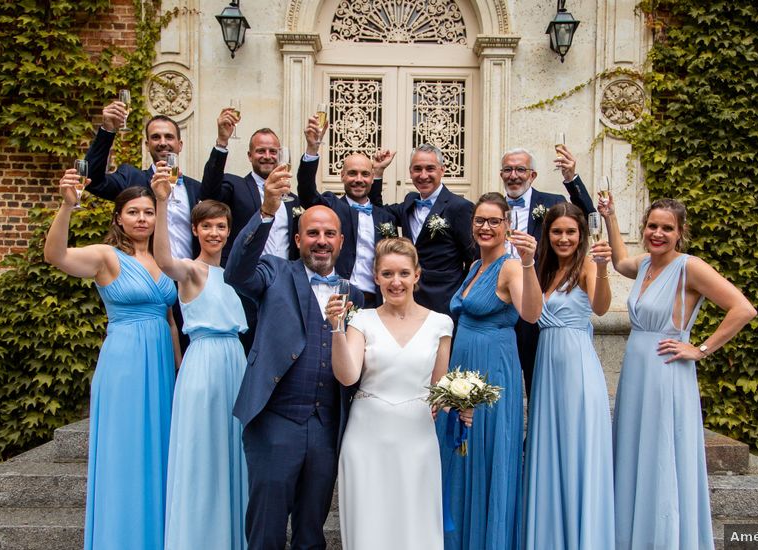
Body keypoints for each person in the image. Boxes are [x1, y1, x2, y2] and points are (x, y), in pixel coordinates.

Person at [601, 194, 756, 550]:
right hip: (636, 373)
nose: (658, 233)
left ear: (680, 232)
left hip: (666, 372)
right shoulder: (643, 265)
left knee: (660, 456)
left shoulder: (690, 267)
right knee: (634, 451)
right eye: (652, 226)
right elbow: (621, 261)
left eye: (667, 228)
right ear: (644, 229)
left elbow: (742, 308)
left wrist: (699, 349)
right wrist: (609, 218)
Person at [225, 164, 364, 550]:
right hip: (275, 421)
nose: (321, 241)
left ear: (341, 241)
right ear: (299, 239)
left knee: (311, 530)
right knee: (267, 529)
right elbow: (236, 273)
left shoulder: (356, 295)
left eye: (329, 234)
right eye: (313, 233)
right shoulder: (273, 272)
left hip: (325, 426)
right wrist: (266, 212)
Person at [44, 172, 178, 550]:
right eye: (133, 212)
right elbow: (56, 256)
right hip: (125, 363)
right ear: (118, 217)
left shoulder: (163, 258)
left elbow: (170, 321)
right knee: (126, 452)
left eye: (148, 212)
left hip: (162, 364)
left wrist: (180, 367)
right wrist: (67, 206)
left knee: (160, 453)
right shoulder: (106, 256)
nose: (141, 219)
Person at [327, 237, 453, 549]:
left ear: (417, 275)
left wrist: (461, 404)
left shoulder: (441, 324)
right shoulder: (361, 320)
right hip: (367, 437)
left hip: (417, 437)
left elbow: (440, 390)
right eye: (387, 274)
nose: (395, 282)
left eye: (403, 273)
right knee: (370, 524)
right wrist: (337, 329)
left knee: (416, 523)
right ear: (375, 277)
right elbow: (347, 376)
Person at [437, 192, 543, 549]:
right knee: (461, 453)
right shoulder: (474, 267)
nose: (485, 227)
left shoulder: (511, 266)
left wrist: (528, 264)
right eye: (480, 220)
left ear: (507, 226)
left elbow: (531, 314)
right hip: (463, 367)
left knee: (484, 452)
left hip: (492, 371)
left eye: (494, 221)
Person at [150, 171, 248, 550]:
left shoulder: (237, 274)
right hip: (204, 363)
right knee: (202, 451)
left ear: (228, 230)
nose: (214, 233)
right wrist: (161, 202)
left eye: (220, 226)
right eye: (206, 226)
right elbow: (162, 258)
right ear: (194, 230)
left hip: (235, 363)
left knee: (233, 451)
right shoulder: (190, 271)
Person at [522, 202, 615, 550]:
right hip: (547, 370)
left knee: (577, 451)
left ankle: (583, 538)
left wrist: (603, 270)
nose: (563, 238)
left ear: (581, 235)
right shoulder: (544, 271)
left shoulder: (588, 266)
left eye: (570, 232)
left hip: (578, 371)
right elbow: (530, 315)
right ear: (548, 234)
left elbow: (602, 308)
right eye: (557, 231)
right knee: (549, 450)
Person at [500, 146, 596, 395]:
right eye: (508, 170)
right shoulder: (492, 206)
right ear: (501, 175)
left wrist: (571, 178)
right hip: (501, 306)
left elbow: (587, 217)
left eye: (521, 169)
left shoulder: (552, 202)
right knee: (502, 381)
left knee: (537, 380)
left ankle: (535, 432)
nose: (514, 175)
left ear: (532, 175)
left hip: (539, 301)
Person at [296, 115, 398, 307]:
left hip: (374, 303)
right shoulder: (331, 206)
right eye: (352, 173)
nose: (358, 179)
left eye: (365, 174)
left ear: (372, 177)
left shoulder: (385, 217)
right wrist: (312, 149)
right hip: (334, 298)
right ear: (342, 176)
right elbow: (306, 193)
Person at [85, 100, 203, 260]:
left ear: (179, 145)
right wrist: (107, 130)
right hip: (147, 276)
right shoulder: (131, 178)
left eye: (169, 137)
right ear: (147, 145)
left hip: (188, 279)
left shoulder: (196, 189)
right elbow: (92, 180)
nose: (163, 142)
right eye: (156, 137)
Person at [372, 144, 474, 316]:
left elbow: (473, 257)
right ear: (410, 172)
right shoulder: (409, 203)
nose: (423, 175)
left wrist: (463, 293)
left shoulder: (460, 207)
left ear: (442, 170)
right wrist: (378, 173)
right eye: (417, 169)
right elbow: (378, 213)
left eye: (430, 169)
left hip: (444, 300)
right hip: (409, 298)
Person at [200, 112, 300, 264]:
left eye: (273, 151)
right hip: (246, 277)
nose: (267, 156)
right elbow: (209, 194)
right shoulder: (235, 186)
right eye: (261, 151)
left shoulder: (293, 200)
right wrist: (222, 142)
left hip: (283, 277)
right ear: (250, 155)